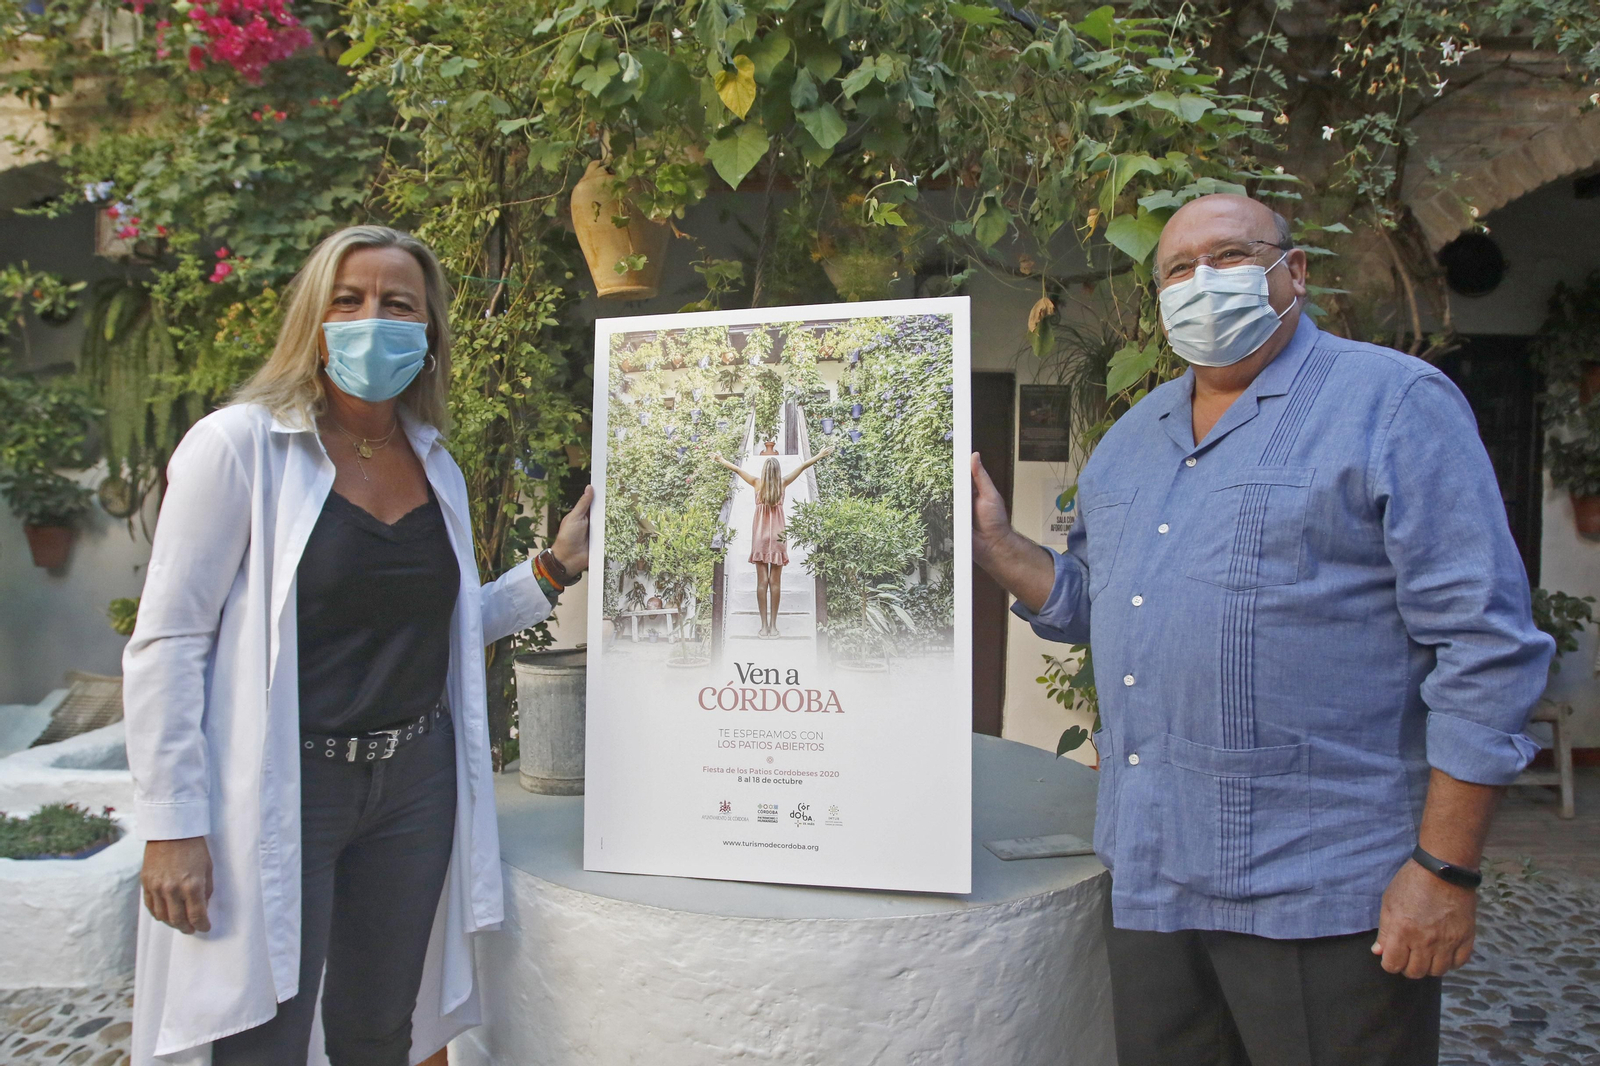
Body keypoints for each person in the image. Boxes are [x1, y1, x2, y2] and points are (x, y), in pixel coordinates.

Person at [972, 193, 1553, 1065]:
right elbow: (1101, 604)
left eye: (1232, 258)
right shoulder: (1132, 441)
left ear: (1295, 272)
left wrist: (1443, 871)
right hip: (1157, 883)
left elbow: (1488, 647)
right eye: (1178, 269)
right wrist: (998, 544)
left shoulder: (1392, 405)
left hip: (1326, 888)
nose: (1202, 283)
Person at [122, 225, 593, 1066]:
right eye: (350, 299)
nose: (372, 318)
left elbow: (438, 631)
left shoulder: (431, 462)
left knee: (382, 1029)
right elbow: (170, 640)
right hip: (287, 785)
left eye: (398, 304)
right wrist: (171, 826)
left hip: (413, 785)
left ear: (428, 335)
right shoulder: (240, 448)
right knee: (261, 1033)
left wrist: (553, 568)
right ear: (315, 317)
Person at [713, 447, 833, 638]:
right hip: (778, 537)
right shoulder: (782, 484)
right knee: (775, 582)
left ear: (764, 472)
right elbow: (802, 467)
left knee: (762, 582)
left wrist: (721, 458)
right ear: (777, 472)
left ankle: (763, 627)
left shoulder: (756, 483)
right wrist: (819, 455)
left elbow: (736, 469)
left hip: (760, 537)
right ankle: (774, 626)